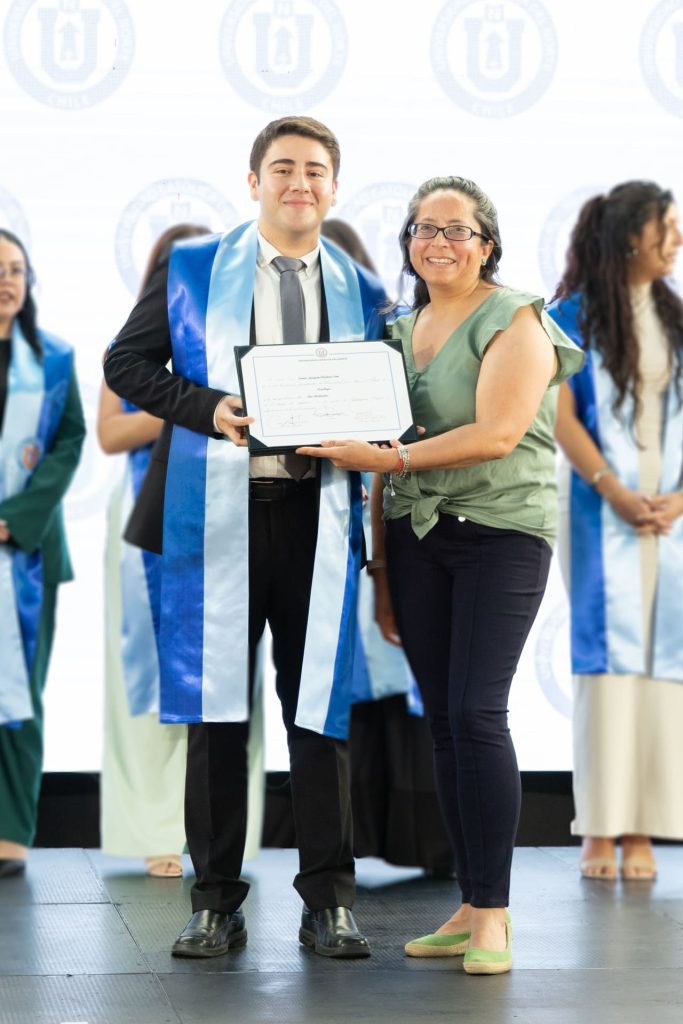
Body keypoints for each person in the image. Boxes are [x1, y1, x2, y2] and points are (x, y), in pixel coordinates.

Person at [104, 116, 385, 958]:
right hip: (216, 514)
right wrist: (205, 407)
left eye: (315, 170)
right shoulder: (193, 268)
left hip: (315, 515)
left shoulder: (366, 290)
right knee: (216, 715)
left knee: (318, 714)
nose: (300, 183)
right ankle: (214, 902)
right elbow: (126, 364)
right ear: (254, 180)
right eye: (283, 168)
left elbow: (388, 395)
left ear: (334, 186)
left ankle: (329, 902)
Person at [297, 176, 584, 974]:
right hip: (413, 539)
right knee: (447, 725)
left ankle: (492, 914)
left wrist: (385, 459)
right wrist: (380, 567)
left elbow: (496, 435)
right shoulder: (395, 330)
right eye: (425, 228)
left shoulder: (516, 319)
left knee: (476, 713)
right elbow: (376, 452)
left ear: (486, 245)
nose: (439, 242)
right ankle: (468, 902)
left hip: (500, 534)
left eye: (457, 230)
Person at [547, 181, 683, 881]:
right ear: (631, 235)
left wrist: (677, 499)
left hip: (670, 516)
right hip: (599, 508)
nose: (676, 241)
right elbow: (558, 413)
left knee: (664, 667)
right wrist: (613, 489)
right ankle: (598, 827)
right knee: (606, 665)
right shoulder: (569, 317)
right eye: (667, 228)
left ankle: (642, 828)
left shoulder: (674, 317)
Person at [321, 217, 454, 872]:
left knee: (409, 685)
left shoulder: (391, 343)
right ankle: (356, 840)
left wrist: (377, 564)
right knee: (337, 691)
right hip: (330, 537)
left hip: (391, 525)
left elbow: (393, 451)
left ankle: (424, 840)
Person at [0, 229, 85, 877]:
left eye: (15, 270)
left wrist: (17, 518)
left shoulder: (52, 357)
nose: (6, 281)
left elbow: (70, 440)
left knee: (18, 694)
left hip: (25, 550)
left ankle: (9, 832)